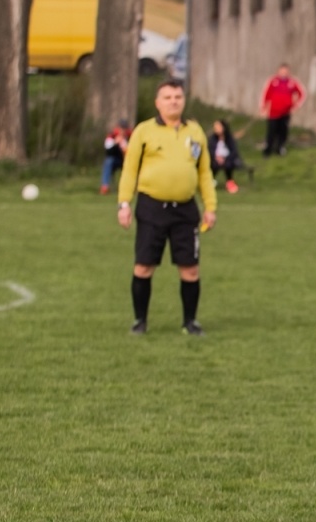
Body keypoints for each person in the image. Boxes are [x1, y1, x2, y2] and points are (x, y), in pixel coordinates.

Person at [117, 79, 217, 336]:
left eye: (178, 97)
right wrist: (124, 203)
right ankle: (140, 321)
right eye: (168, 97)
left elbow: (204, 172)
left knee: (190, 268)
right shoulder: (144, 131)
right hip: (152, 207)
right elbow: (130, 170)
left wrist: (210, 206)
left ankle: (190, 322)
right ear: (157, 102)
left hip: (185, 210)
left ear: (183, 101)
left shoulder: (195, 132)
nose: (173, 101)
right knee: (143, 266)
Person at [259, 63, 305, 157]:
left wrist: (296, 106)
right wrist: (263, 107)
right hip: (273, 112)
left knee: (283, 132)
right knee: (271, 132)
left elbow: (302, 93)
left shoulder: (292, 82)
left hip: (285, 112)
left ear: (288, 72)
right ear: (278, 71)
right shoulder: (272, 81)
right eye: (282, 71)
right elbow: (266, 94)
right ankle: (268, 150)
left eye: (285, 71)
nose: (283, 73)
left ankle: (280, 148)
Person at [208, 119, 242, 193]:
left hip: (227, 158)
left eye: (218, 127)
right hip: (216, 159)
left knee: (228, 164)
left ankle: (230, 182)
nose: (216, 129)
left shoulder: (229, 138)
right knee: (213, 164)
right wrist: (217, 157)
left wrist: (225, 158)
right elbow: (210, 150)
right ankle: (211, 180)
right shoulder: (213, 139)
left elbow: (234, 151)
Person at [100, 120, 129, 195]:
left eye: (124, 129)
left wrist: (124, 146)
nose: (123, 131)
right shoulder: (111, 136)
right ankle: (105, 186)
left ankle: (128, 187)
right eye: (121, 128)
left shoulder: (129, 136)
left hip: (125, 160)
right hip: (114, 160)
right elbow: (108, 152)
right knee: (108, 161)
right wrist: (115, 143)